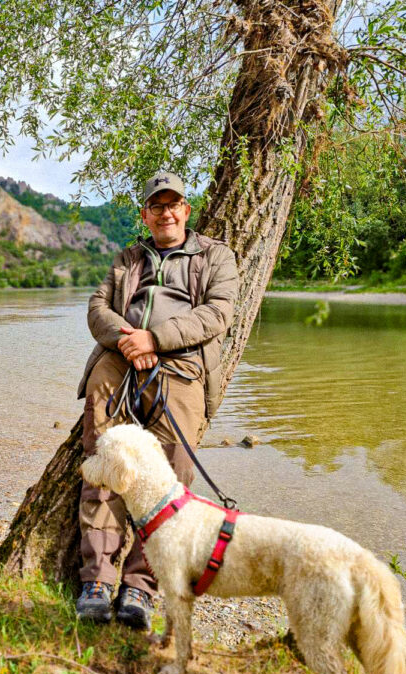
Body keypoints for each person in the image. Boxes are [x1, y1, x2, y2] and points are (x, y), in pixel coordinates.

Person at [75, 171, 239, 629]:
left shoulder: (216, 256)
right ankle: (97, 581)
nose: (166, 212)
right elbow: (96, 307)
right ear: (145, 214)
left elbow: (218, 313)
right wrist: (128, 339)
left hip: (181, 364)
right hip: (119, 358)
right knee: (103, 463)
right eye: (156, 205)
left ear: (186, 210)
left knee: (170, 478)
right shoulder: (128, 258)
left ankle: (141, 586)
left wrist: (156, 338)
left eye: (174, 204)